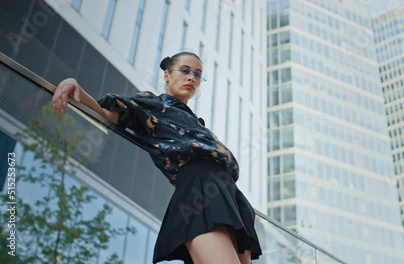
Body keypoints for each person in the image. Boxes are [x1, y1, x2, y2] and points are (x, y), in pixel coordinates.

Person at [51, 52, 262, 264]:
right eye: (185, 70)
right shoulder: (153, 104)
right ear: (167, 74)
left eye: (197, 74)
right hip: (200, 189)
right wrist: (72, 84)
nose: (192, 78)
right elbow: (109, 112)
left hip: (231, 196)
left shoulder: (197, 124)